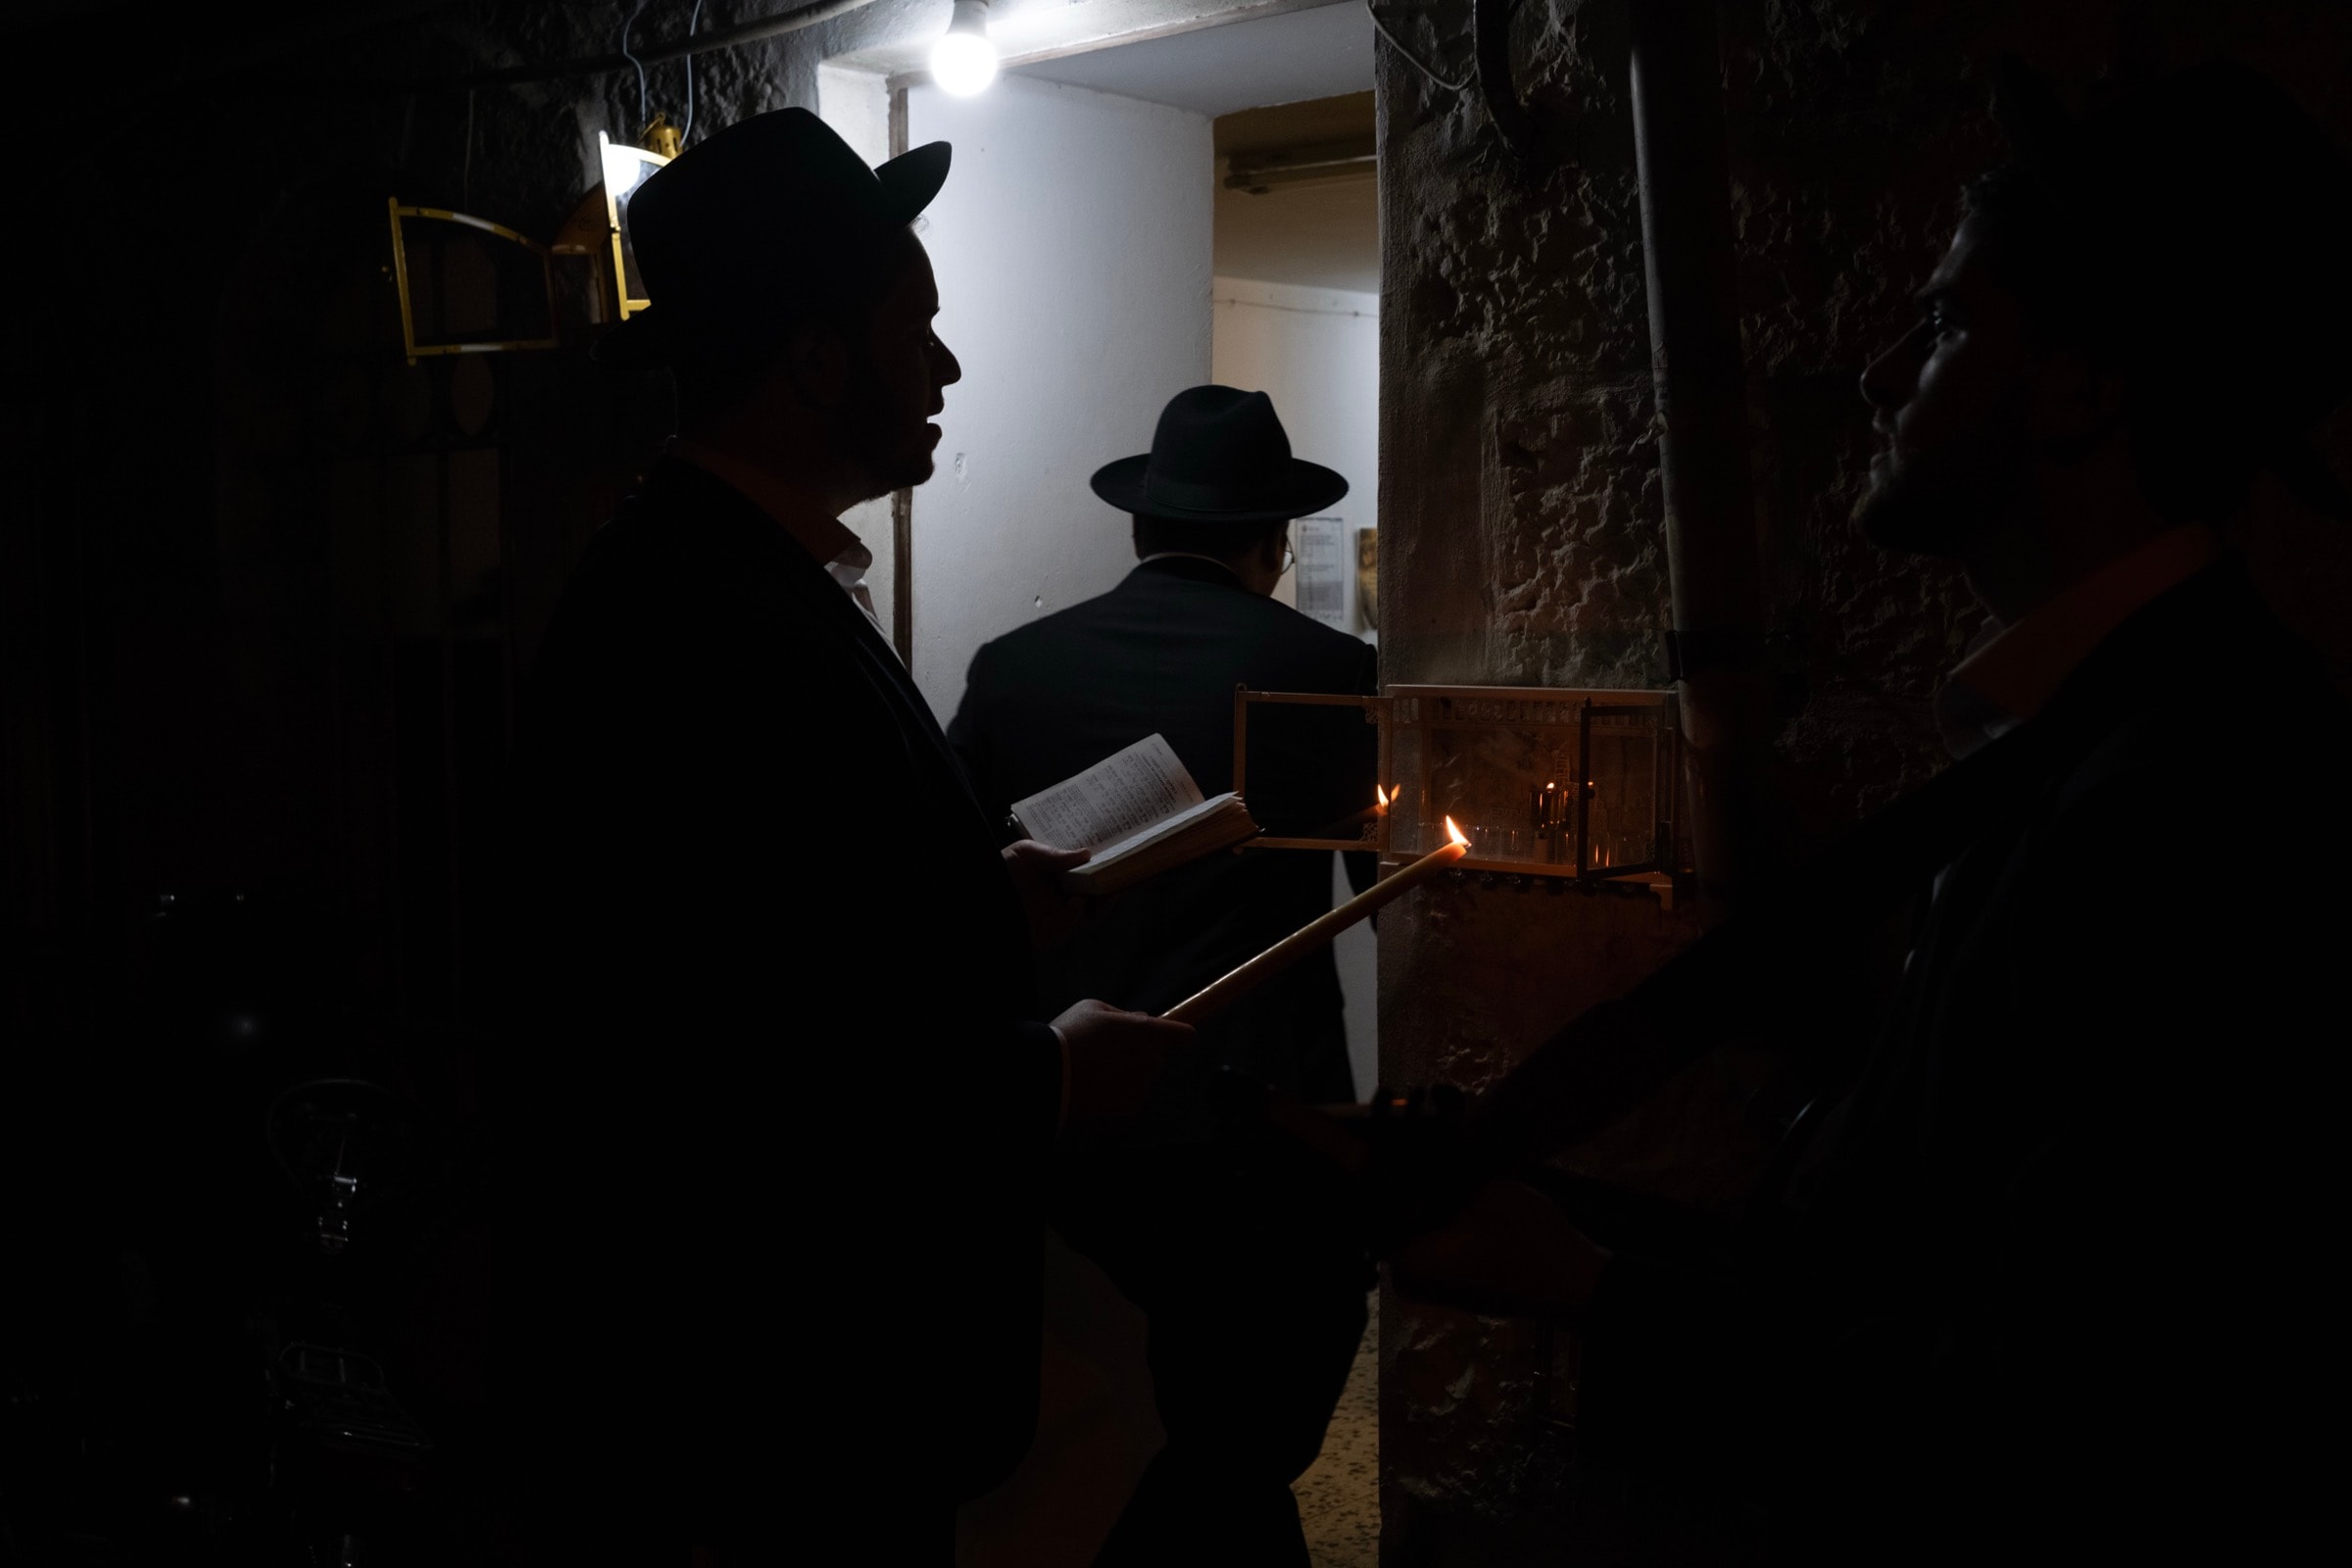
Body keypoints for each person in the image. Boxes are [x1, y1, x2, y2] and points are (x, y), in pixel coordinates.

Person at [1389, 57, 2352, 1563]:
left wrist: (1595, 1292)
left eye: (1956, 318)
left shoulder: (2186, 799)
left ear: (2084, 384)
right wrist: (1567, 1237)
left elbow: (2061, 1418)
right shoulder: (2114, 737)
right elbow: (1920, 1254)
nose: (1882, 369)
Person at [488, 110, 1190, 1562]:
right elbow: (747, 1079)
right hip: (765, 1431)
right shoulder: (704, 618)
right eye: (911, 327)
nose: (943, 367)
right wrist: (1054, 1078)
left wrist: (982, 903)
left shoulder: (733, 578)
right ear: (813, 361)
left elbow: (794, 928)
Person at [947, 386, 1379, 1565]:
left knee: (1145, 1440)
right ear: (1276, 541)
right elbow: (1396, 908)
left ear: (1140, 529)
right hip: (1261, 1135)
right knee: (1244, 1440)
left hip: (1066, 1127)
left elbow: (949, 906)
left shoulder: (1015, 666)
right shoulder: (1331, 670)